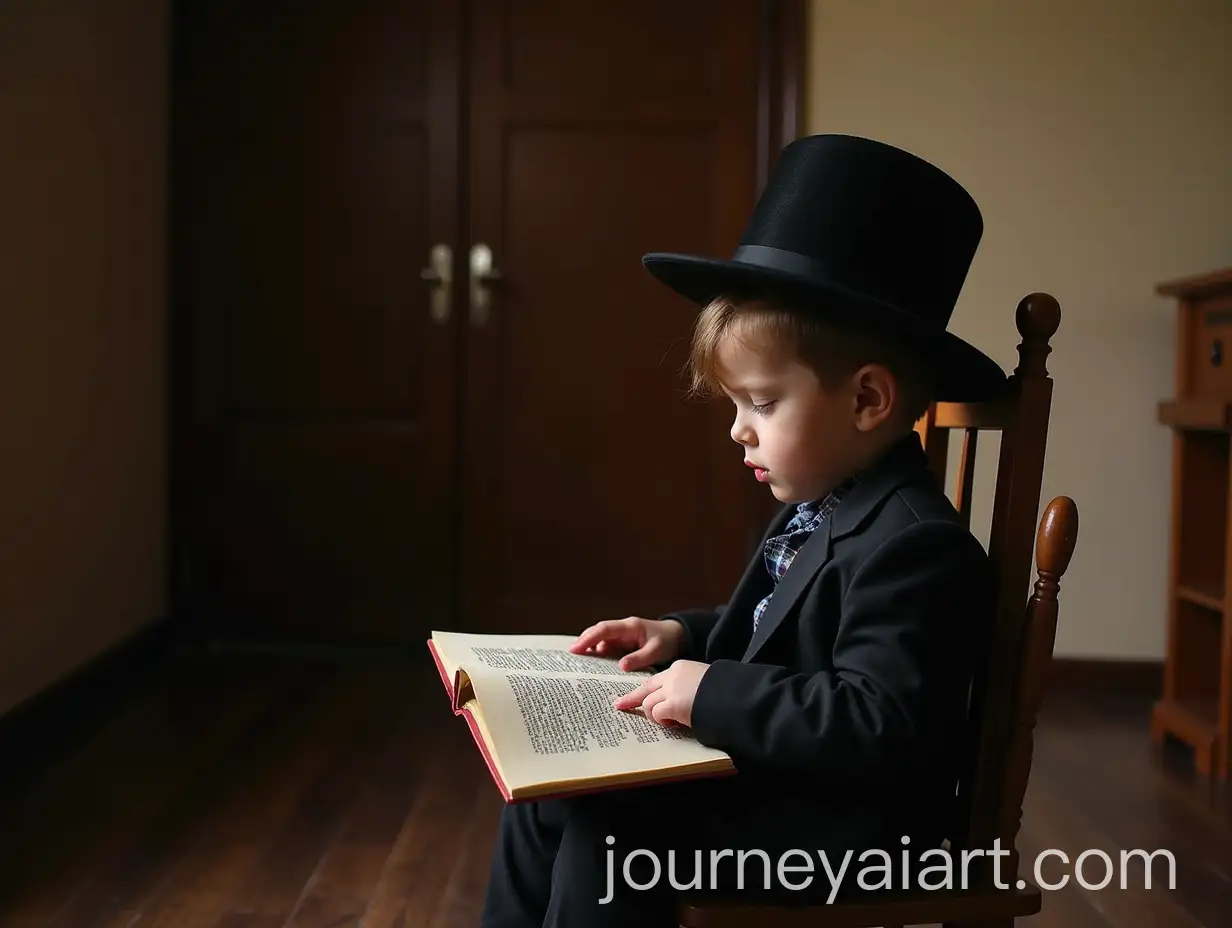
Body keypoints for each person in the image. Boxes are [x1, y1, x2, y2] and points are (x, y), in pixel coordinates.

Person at [478, 134, 1005, 928]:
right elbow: (775, 638)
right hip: (790, 792)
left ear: (868, 401)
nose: (738, 432)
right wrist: (679, 636)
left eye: (760, 403)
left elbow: (880, 722)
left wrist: (712, 688)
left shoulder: (915, 546)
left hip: (849, 834)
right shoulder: (822, 504)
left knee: (614, 832)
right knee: (549, 800)